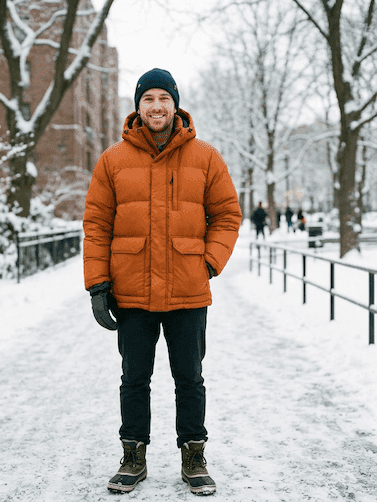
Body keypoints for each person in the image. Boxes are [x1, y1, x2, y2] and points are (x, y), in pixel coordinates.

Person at [83, 68, 242, 496]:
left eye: (164, 99)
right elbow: (96, 224)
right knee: (134, 379)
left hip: (188, 290)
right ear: (138, 106)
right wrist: (98, 284)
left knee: (189, 378)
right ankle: (133, 456)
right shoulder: (112, 160)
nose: (156, 106)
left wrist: (208, 263)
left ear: (175, 105)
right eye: (148, 98)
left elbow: (227, 215)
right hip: (131, 291)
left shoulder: (205, 157)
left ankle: (194, 455)